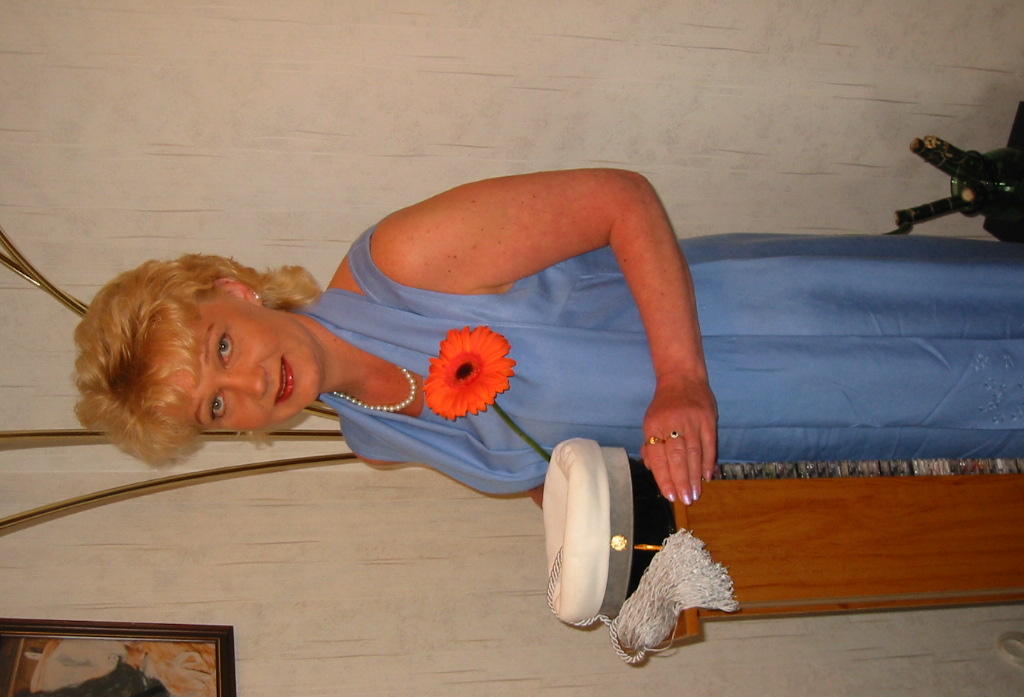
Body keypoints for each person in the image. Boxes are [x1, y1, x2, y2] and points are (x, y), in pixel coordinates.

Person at [73, 169, 1024, 505]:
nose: (246, 388)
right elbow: (557, 464)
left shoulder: (401, 261)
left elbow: (622, 200)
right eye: (214, 407)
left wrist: (681, 378)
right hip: (780, 436)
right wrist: (615, 551)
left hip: (773, 325)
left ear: (234, 292)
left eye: (222, 350)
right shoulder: (375, 439)